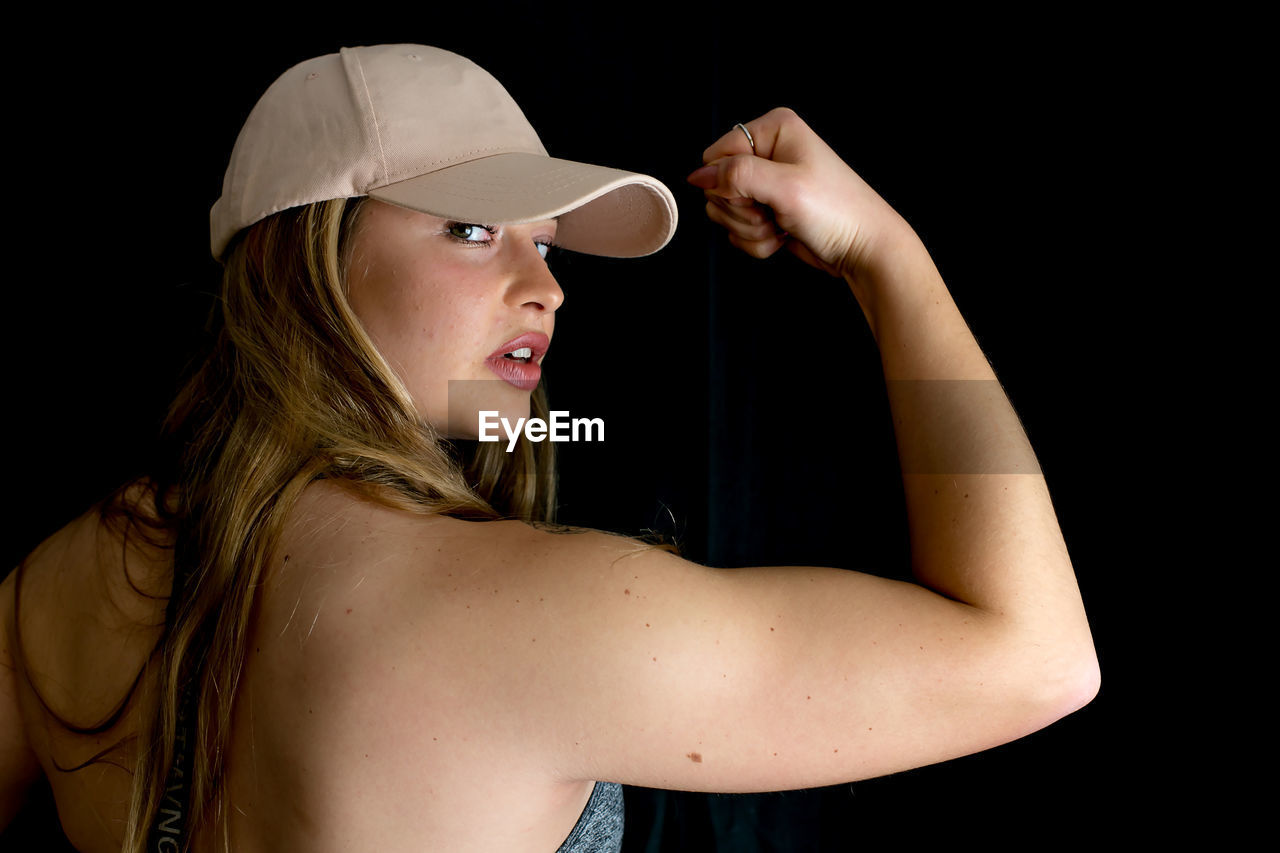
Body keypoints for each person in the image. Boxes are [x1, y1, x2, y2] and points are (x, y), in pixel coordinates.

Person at [1, 43, 1099, 852]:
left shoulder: (54, 586)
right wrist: (885, 257)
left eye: (543, 242)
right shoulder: (528, 614)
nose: (549, 288)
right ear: (311, 261)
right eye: (473, 230)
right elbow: (1036, 657)